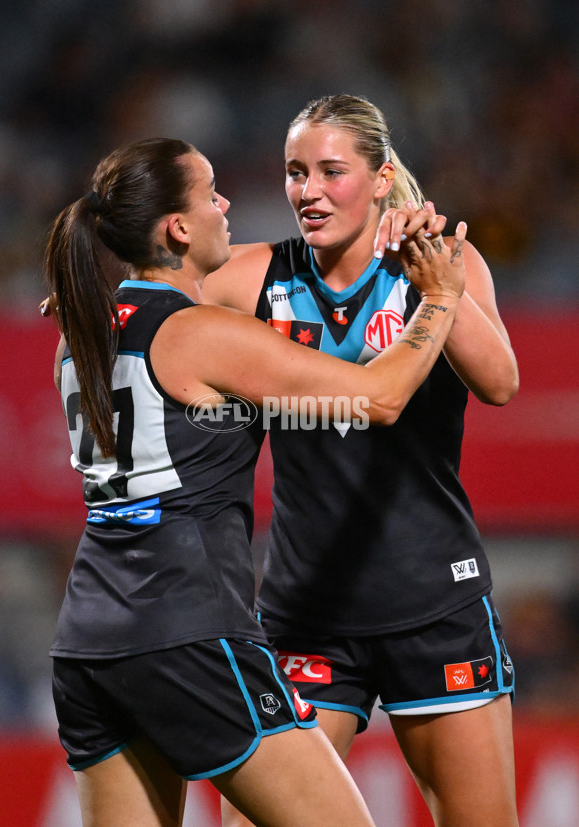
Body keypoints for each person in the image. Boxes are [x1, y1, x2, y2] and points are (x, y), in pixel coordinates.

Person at [44, 136, 467, 827]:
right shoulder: (202, 334)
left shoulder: (78, 333)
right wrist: (439, 297)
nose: (226, 203)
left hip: (88, 643)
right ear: (177, 228)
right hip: (187, 630)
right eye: (211, 192)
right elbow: (382, 396)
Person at [202, 95, 520, 827]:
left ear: (381, 180)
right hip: (304, 614)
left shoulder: (444, 262)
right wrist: (89, 288)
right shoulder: (254, 278)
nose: (307, 191)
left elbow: (500, 382)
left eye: (330, 171)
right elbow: (148, 297)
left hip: (433, 604)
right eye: (294, 172)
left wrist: (435, 277)